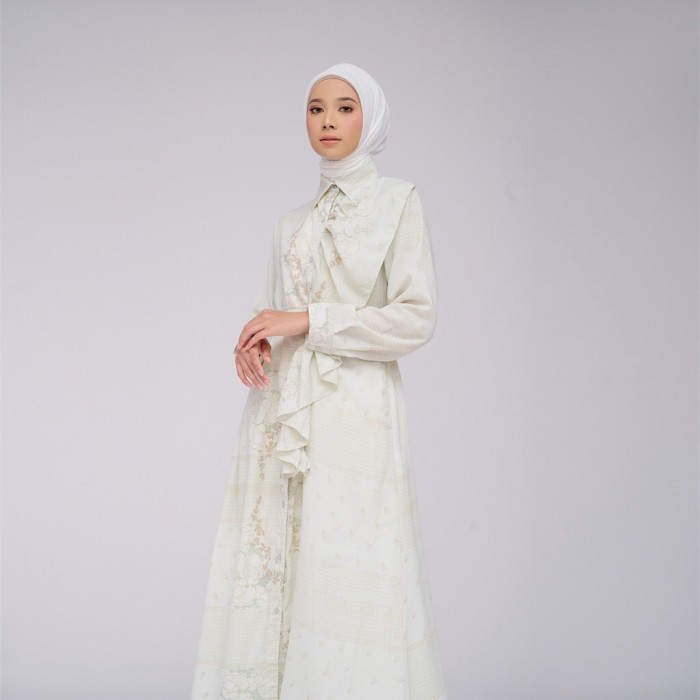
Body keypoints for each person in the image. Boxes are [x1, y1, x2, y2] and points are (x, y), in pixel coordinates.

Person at [190, 62, 446, 700]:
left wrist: (309, 319)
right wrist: (254, 341)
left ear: (371, 119)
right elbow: (273, 309)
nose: (328, 120)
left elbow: (415, 320)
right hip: (283, 412)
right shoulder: (290, 223)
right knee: (278, 556)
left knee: (349, 561)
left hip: (357, 409)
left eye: (344, 107)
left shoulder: (398, 203)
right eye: (315, 108)